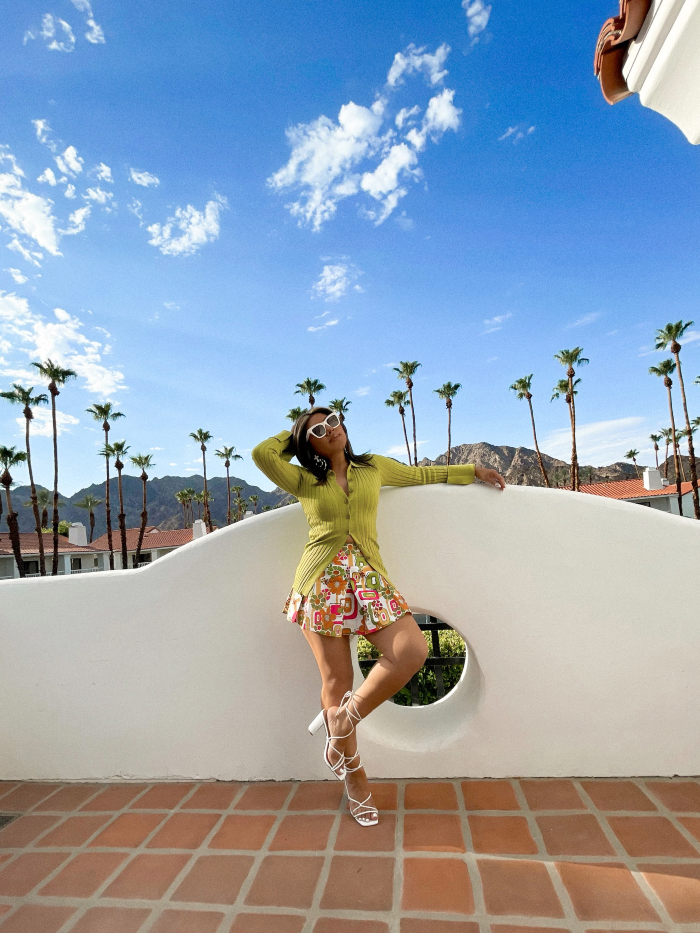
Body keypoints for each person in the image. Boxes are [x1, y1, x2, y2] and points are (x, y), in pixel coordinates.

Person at [252, 408, 505, 826]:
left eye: (332, 419)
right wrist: (295, 431)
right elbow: (263, 453)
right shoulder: (304, 480)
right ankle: (354, 775)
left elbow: (422, 477)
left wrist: (472, 470)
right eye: (317, 429)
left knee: (411, 650)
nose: (329, 429)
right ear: (307, 444)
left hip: (368, 576)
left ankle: (342, 722)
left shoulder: (373, 468)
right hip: (321, 580)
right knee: (337, 682)